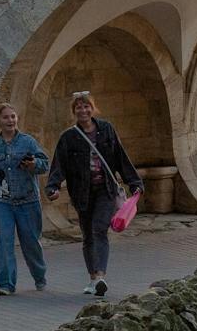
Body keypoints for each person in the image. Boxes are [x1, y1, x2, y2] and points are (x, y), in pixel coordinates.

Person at [45, 91, 142, 297]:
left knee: (99, 229)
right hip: (81, 193)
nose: (83, 110)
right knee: (88, 235)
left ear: (93, 108)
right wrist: (52, 186)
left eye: (86, 106)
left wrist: (134, 182)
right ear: (74, 111)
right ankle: (92, 279)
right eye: (79, 107)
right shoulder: (68, 137)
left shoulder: (106, 129)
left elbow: (119, 156)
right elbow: (59, 164)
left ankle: (100, 277)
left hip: (104, 189)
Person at [0, 103, 50, 296]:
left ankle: (39, 276)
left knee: (31, 242)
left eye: (13, 117)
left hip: (28, 200)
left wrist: (34, 164)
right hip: (3, 202)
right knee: (5, 241)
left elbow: (45, 164)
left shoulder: (28, 142)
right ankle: (6, 284)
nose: (10, 120)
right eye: (6, 117)